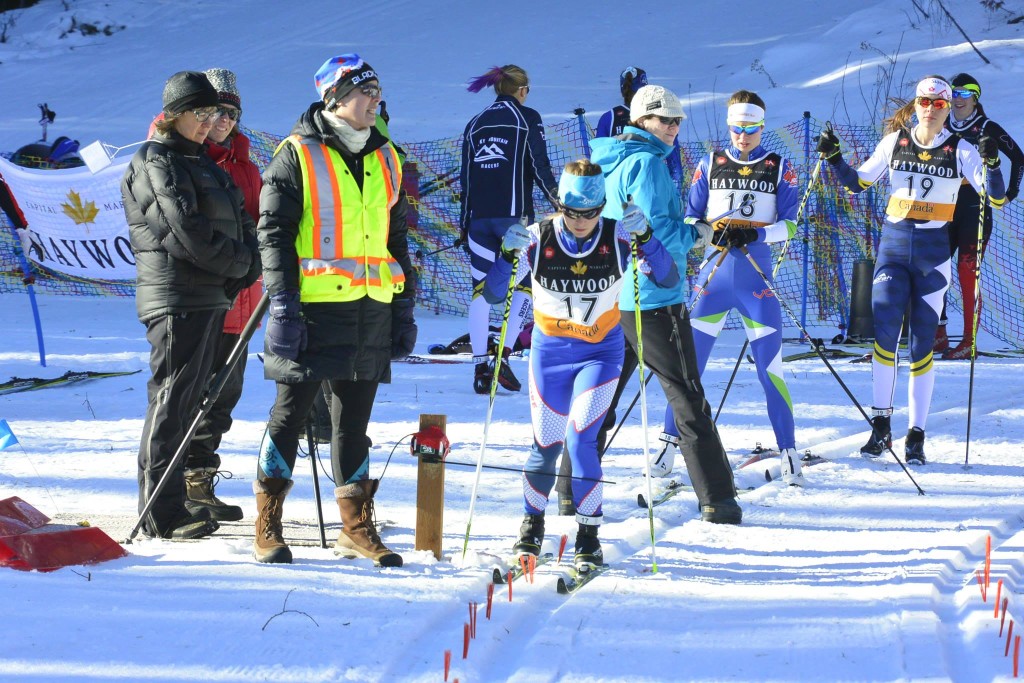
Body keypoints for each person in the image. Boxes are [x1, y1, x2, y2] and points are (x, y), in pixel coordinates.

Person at [254, 53, 416, 566]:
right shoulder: (296, 154)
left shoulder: (387, 156)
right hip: (311, 310)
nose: (375, 101)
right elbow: (273, 235)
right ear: (336, 99)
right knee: (289, 416)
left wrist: (404, 307)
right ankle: (268, 522)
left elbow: (397, 240)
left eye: (377, 92)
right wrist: (282, 306)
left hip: (371, 308)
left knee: (354, 425)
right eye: (366, 92)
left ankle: (354, 526)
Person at [484, 159, 678, 568]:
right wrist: (505, 253)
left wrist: (648, 236)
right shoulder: (537, 238)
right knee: (545, 446)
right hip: (550, 355)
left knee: (579, 440)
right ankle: (531, 525)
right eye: (572, 212)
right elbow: (493, 295)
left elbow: (668, 279)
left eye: (590, 212)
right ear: (560, 205)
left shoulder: (620, 234)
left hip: (600, 355)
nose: (581, 221)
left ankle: (588, 536)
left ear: (602, 206)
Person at [816, 75, 1005, 464]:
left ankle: (916, 434)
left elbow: (996, 196)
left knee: (921, 344)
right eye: (925, 101)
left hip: (933, 257)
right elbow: (858, 183)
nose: (932, 109)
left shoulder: (961, 149)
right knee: (885, 330)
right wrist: (834, 157)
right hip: (895, 249)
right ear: (916, 104)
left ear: (948, 107)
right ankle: (881, 424)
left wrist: (992, 161)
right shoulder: (894, 142)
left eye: (940, 104)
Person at [590, 84, 742, 524]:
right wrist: (701, 233)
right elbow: (656, 234)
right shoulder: (649, 164)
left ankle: (570, 491)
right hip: (655, 298)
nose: (673, 128)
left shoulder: (608, 160)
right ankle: (718, 499)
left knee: (599, 400)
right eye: (664, 120)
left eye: (677, 121)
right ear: (642, 122)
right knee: (687, 398)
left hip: (612, 297)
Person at [121, 70, 260, 540]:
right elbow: (183, 231)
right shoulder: (155, 160)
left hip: (212, 295)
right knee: (171, 402)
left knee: (193, 406)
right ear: (174, 114)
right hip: (176, 296)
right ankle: (161, 512)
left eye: (214, 115)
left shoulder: (205, 164)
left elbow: (244, 222)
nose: (208, 124)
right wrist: (238, 265)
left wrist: (248, 265)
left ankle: (180, 501)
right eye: (199, 114)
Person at [675, 89, 803, 485]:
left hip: (755, 283)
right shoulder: (710, 163)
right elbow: (690, 220)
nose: (742, 137)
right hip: (712, 280)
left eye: (750, 130)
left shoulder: (779, 166)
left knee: (771, 370)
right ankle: (667, 447)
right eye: (736, 129)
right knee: (686, 372)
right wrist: (710, 232)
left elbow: (792, 225)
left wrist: (754, 235)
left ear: (761, 127)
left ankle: (789, 452)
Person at [166, 68, 263, 523]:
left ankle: (201, 480)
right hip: (203, 296)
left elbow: (259, 224)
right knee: (189, 395)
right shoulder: (185, 159)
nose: (223, 121)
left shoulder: (245, 166)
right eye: (215, 111)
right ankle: (175, 485)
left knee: (224, 397)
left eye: (231, 113)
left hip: (242, 301)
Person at [460, 64, 559, 395]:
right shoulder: (526, 117)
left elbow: (467, 179)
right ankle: (500, 357)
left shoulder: (474, 124)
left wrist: (464, 226)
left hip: (477, 220)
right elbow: (540, 165)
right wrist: (562, 205)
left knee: (480, 292)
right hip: (513, 222)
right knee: (525, 287)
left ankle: (479, 368)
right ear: (521, 90)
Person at [933, 73, 1024, 359]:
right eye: (954, 95)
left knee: (967, 272)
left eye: (963, 95)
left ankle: (969, 341)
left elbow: (1019, 158)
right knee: (935, 272)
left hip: (976, 207)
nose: (957, 100)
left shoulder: (986, 126)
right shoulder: (942, 124)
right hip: (943, 206)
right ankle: (938, 334)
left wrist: (1009, 193)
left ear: (975, 98)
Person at [596, 67, 684, 191]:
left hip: (617, 191)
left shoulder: (608, 118)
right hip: (651, 188)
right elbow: (673, 161)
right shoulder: (659, 117)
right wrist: (676, 190)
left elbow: (598, 160)